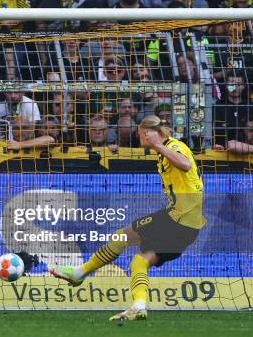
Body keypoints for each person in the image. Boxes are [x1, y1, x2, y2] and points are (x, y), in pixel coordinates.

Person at [51, 115, 205, 321]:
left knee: (121, 236)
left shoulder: (173, 146)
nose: (138, 138)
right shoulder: (166, 149)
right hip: (189, 229)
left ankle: (79, 273)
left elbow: (185, 164)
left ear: (148, 132)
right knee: (139, 262)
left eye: (140, 134)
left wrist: (158, 145)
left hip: (179, 218)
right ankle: (139, 306)